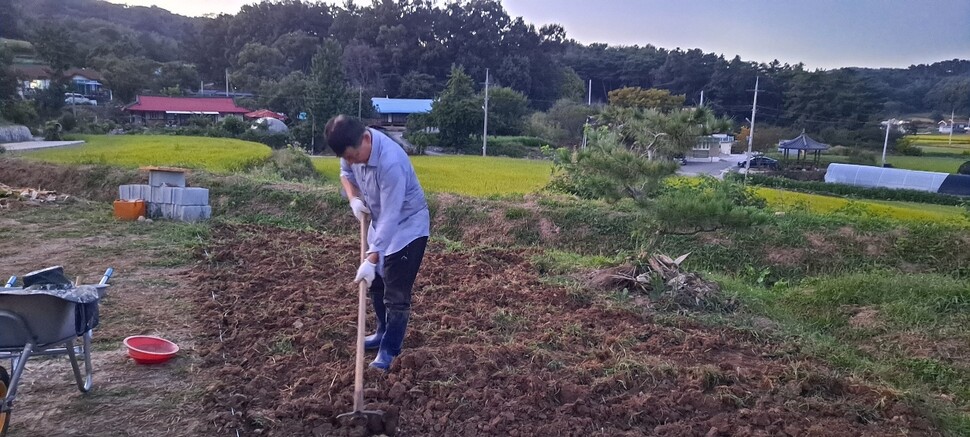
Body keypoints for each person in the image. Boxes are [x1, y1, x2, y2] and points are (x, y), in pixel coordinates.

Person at [325, 115, 430, 371]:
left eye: (353, 156)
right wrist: (353, 199)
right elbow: (345, 173)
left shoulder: (390, 162)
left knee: (396, 294)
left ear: (365, 139)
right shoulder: (350, 147)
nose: (352, 161)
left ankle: (390, 350)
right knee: (377, 285)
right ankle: (382, 332)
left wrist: (373, 257)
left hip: (407, 228)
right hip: (379, 223)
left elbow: (393, 215)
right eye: (347, 157)